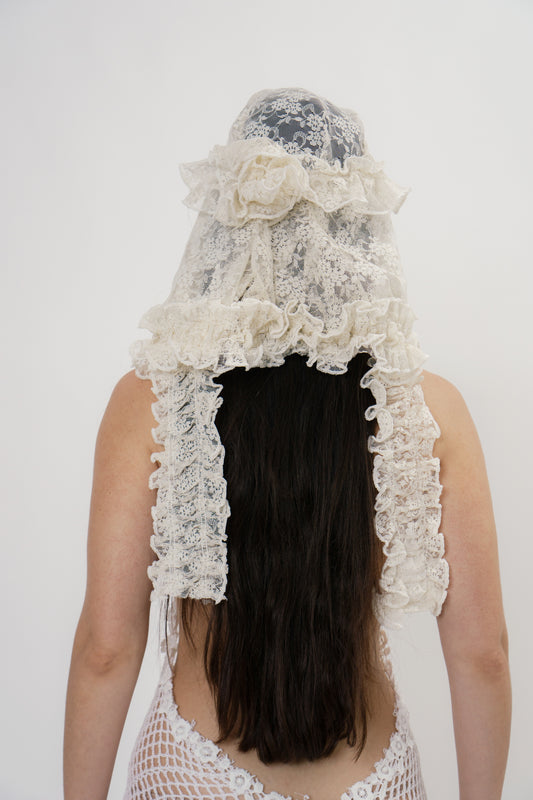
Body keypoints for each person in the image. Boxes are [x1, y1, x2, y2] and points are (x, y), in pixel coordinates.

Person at [63, 88, 511, 800]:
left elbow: (106, 650)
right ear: (358, 227)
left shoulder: (151, 397)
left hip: (189, 772)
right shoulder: (428, 410)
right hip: (372, 776)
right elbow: (482, 655)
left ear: (229, 215)